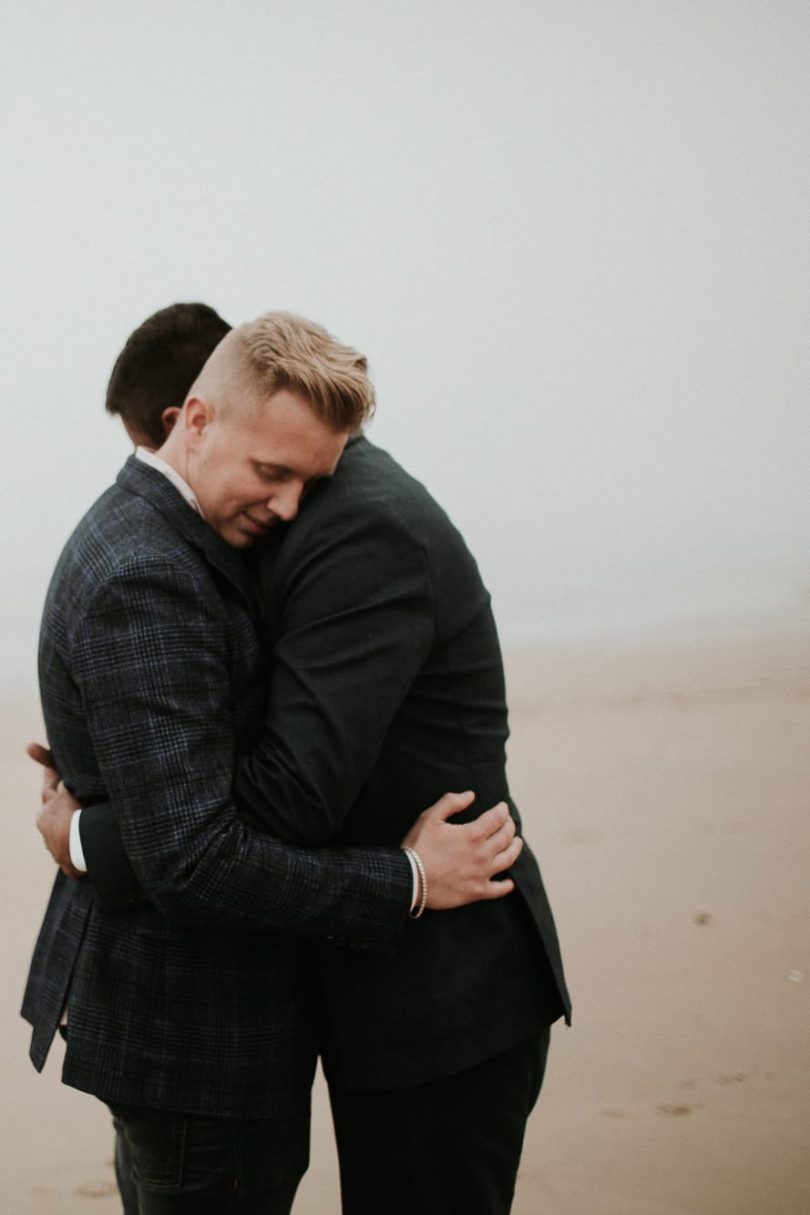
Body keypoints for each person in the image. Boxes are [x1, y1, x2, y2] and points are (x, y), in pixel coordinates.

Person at [23, 309, 524, 1215]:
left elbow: (203, 785)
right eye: (273, 473)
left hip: (244, 1020)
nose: (291, 505)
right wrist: (407, 877)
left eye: (308, 479)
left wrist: (92, 829)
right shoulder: (149, 569)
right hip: (196, 1038)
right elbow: (195, 851)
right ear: (196, 419)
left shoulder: (188, 533)